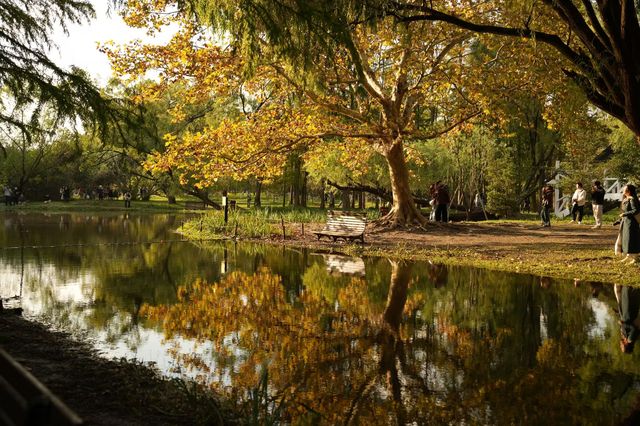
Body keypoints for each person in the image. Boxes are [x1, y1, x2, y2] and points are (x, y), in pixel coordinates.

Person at [618, 184, 640, 263]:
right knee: (627, 239)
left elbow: (635, 210)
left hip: (632, 222)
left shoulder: (632, 199)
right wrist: (620, 219)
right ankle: (628, 256)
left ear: (629, 191)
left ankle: (635, 258)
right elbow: (624, 211)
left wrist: (624, 214)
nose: (623, 190)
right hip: (626, 222)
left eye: (624, 189)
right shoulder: (626, 199)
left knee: (632, 239)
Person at [615, 285, 640, 353]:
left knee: (625, 299)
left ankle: (627, 287)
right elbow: (633, 328)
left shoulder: (626, 338)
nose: (620, 346)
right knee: (627, 299)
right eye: (622, 347)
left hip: (626, 315)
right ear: (626, 346)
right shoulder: (630, 339)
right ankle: (630, 288)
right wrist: (623, 324)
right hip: (629, 315)